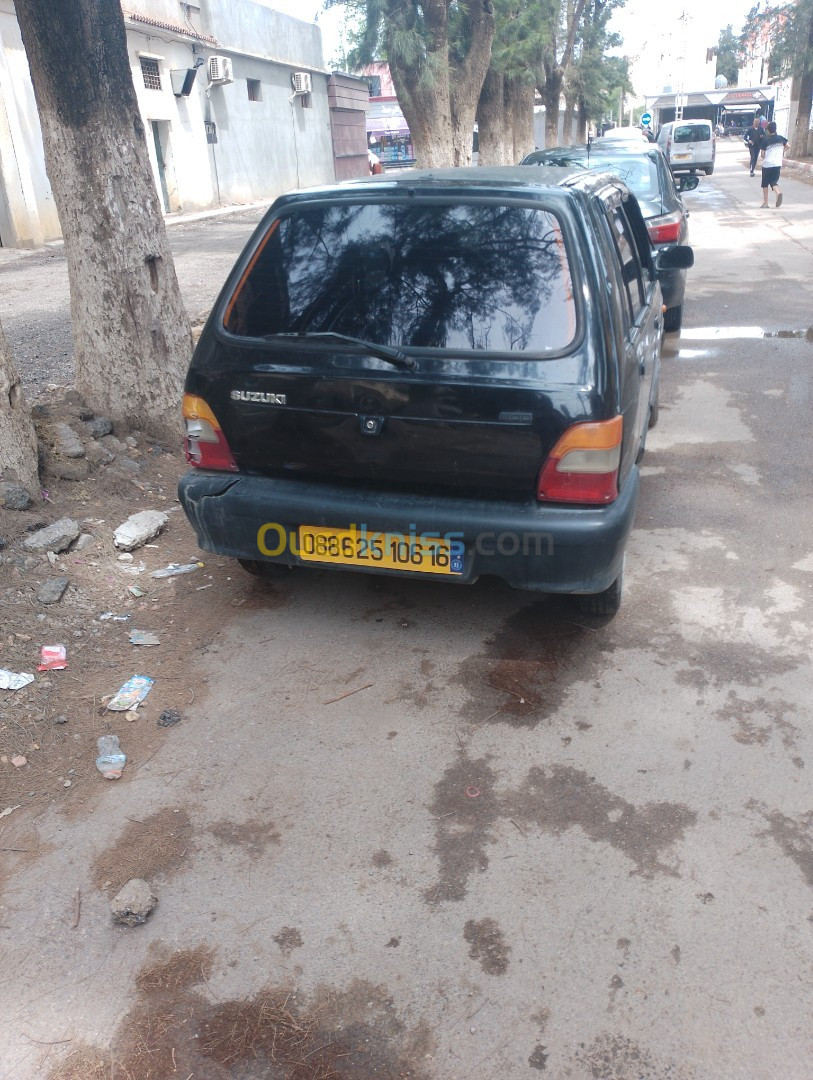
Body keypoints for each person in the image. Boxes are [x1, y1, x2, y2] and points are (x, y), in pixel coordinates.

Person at [759, 121, 788, 208]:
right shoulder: (781, 138)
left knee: (765, 184)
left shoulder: (765, 140)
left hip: (767, 164)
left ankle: (766, 203)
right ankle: (778, 192)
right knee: (773, 182)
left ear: (768, 130)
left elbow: (762, 154)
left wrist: (766, 158)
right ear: (775, 129)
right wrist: (781, 152)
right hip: (777, 163)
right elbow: (788, 146)